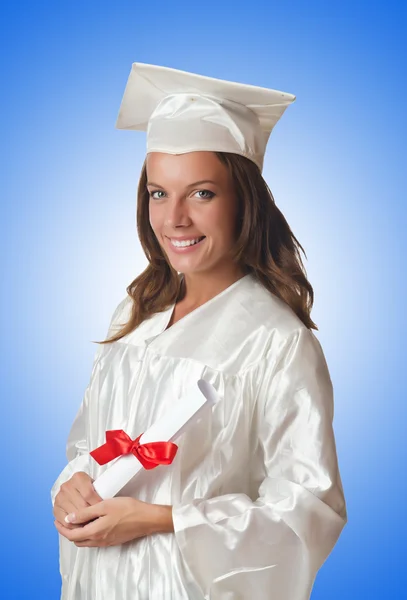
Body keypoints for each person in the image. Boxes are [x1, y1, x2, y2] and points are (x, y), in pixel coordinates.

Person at [51, 62, 347, 600]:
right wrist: (70, 487)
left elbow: (308, 511)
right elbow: (88, 446)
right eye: (158, 193)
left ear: (245, 202)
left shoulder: (275, 343)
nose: (174, 219)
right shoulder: (134, 316)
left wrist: (161, 519)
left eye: (203, 193)